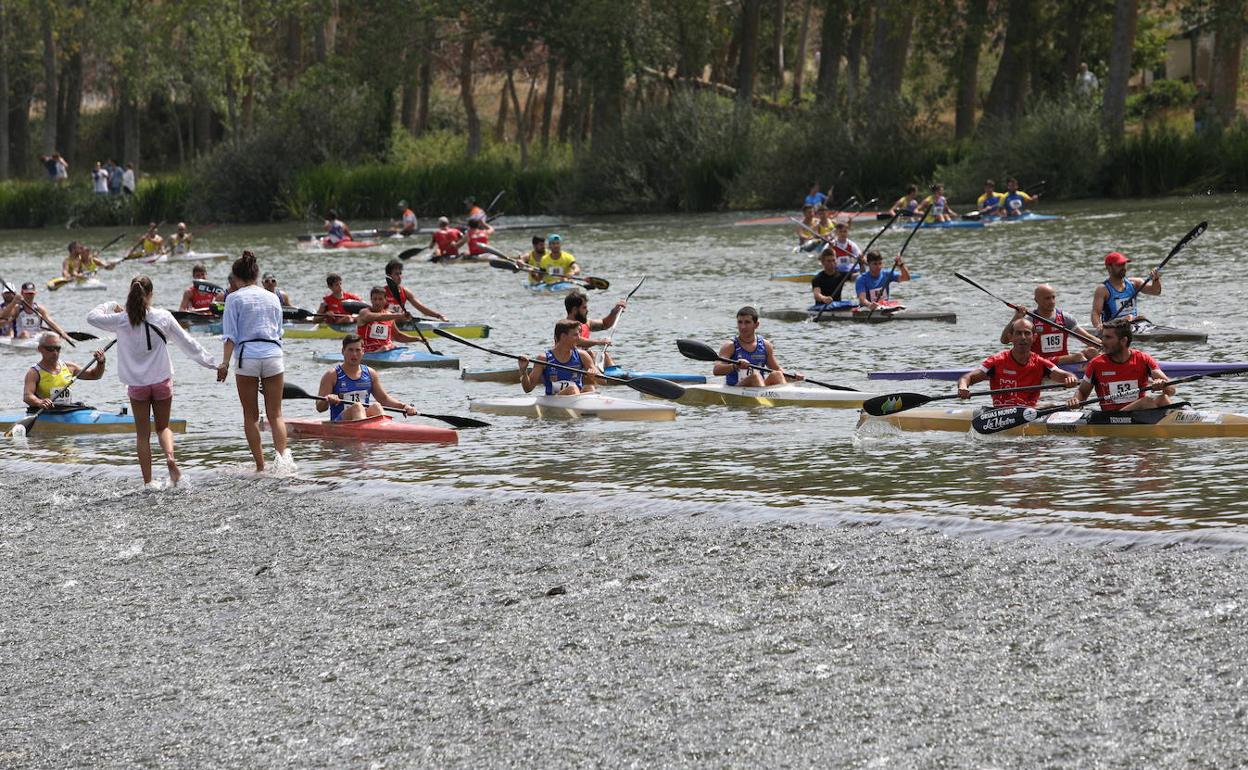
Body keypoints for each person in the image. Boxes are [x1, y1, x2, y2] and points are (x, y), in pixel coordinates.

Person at [87, 276, 218, 487]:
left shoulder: (121, 319)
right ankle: (170, 458)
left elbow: (92, 317)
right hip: (161, 381)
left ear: (130, 294)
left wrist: (112, 305)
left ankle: (148, 482)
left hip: (137, 385)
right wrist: (213, 365)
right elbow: (188, 343)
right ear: (151, 295)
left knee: (142, 435)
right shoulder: (163, 317)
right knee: (163, 427)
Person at [217, 251, 291, 473]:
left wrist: (224, 364)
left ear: (237, 278)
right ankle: (283, 462)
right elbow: (279, 332)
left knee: (250, 416)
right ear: (257, 274)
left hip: (247, 356)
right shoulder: (273, 297)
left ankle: (260, 466)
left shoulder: (233, 298)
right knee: (276, 414)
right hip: (273, 355)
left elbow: (230, 336)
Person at [957, 319, 1078, 407]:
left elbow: (1066, 376)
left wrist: (1070, 379)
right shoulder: (997, 361)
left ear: (1034, 337)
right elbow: (967, 378)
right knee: (1050, 406)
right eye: (1018, 333)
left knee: (1052, 406)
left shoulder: (1040, 363)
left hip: (1030, 413)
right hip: (1001, 414)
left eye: (1027, 333)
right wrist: (963, 387)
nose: (1023, 337)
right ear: (1010, 337)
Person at [1069, 318, 1174, 412]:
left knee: (1163, 398)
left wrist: (1162, 384)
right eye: (1103, 337)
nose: (1103, 341)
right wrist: (1076, 400)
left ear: (1123, 341)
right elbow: (1082, 392)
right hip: (1113, 418)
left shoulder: (1143, 359)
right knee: (1147, 401)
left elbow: (1171, 389)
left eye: (1108, 337)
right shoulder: (1096, 364)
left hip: (1139, 412)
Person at [317, 334, 420, 422]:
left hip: (362, 419)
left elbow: (384, 399)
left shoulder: (370, 373)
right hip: (339, 423)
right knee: (357, 407)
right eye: (350, 350)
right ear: (343, 351)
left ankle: (383, 435)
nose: (354, 354)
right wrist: (327, 399)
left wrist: (404, 407)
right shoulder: (331, 375)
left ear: (363, 351)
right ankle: (368, 436)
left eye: (357, 350)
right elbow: (319, 408)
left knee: (376, 406)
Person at [999, 284, 1098, 364]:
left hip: (1062, 360)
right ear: (1036, 300)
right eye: (1047, 298)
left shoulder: (1065, 318)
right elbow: (1004, 340)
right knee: (1078, 357)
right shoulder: (1029, 321)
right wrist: (1017, 317)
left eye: (1053, 297)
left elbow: (1088, 338)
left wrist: (1106, 345)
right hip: (1040, 362)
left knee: (1092, 351)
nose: (1052, 302)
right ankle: (1088, 377)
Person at [712, 306, 799, 387]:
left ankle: (786, 398)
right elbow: (716, 370)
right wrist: (735, 366)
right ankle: (765, 401)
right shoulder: (730, 346)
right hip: (737, 388)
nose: (742, 327)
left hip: (759, 387)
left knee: (777, 374)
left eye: (747, 322)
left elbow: (777, 369)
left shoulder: (765, 345)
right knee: (755, 377)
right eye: (740, 322)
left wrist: (793, 377)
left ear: (756, 325)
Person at [22, 332, 105, 410]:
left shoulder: (69, 367)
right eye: (50, 348)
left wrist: (101, 362)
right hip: (47, 411)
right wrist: (39, 402)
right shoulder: (34, 373)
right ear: (40, 349)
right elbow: (27, 396)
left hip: (66, 409)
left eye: (58, 348)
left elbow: (95, 375)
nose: (55, 352)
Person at [518, 319, 599, 397]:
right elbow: (528, 389)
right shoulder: (544, 358)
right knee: (572, 389)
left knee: (590, 388)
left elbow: (604, 380)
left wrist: (595, 374)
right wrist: (523, 371)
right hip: (553, 401)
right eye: (575, 335)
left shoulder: (582, 355)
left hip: (575, 398)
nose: (579, 338)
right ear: (563, 336)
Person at [1091, 251, 1161, 330]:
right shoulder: (1102, 290)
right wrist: (1099, 327)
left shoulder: (1135, 283)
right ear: (1109, 267)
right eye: (1119, 265)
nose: (1123, 267)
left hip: (1134, 325)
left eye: (1124, 264)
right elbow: (1095, 313)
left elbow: (1156, 291)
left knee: (1141, 318)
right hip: (1114, 328)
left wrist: (1156, 279)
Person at [564, 290, 626, 369]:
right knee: (589, 354)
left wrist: (614, 312)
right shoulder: (565, 326)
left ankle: (617, 374)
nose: (587, 310)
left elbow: (605, 324)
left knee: (604, 355)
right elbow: (577, 340)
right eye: (584, 307)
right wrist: (599, 342)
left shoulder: (586, 323)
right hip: (570, 364)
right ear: (575, 310)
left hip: (585, 361)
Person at [357, 286, 426, 354]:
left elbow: (398, 336)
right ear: (371, 300)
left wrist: (418, 339)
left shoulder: (389, 315)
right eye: (374, 299)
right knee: (384, 348)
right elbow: (377, 317)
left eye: (380, 299)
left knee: (387, 347)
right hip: (367, 350)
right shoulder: (364, 312)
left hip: (388, 349)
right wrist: (400, 315)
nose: (377, 302)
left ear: (385, 300)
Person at [382, 260, 449, 320]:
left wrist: (438, 316)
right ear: (389, 276)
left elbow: (421, 308)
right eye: (396, 274)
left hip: (400, 322)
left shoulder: (405, 292)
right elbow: (378, 312)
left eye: (400, 273)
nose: (400, 277)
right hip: (387, 323)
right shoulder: (382, 292)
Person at [0, 283, 69, 340]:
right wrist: (14, 302)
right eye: (27, 293)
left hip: (36, 337)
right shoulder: (17, 308)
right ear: (22, 293)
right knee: (25, 333)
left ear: (35, 293)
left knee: (49, 335)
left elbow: (50, 322)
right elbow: (3, 317)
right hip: (20, 338)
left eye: (31, 293)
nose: (29, 296)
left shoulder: (40, 309)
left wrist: (62, 334)